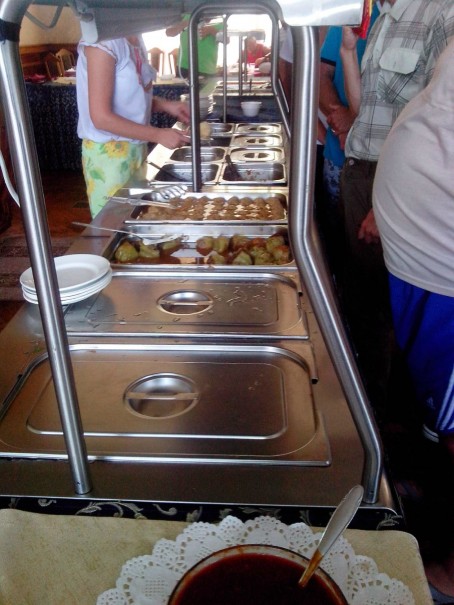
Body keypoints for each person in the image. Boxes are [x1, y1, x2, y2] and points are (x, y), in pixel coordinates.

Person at [337, 0, 454, 418]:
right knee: (365, 305)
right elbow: (363, 110)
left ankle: (401, 422)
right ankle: (370, 414)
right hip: (361, 171)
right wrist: (348, 52)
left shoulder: (441, 13)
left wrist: (387, 204)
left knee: (399, 318)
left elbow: (441, 126)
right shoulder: (382, 16)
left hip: (396, 192)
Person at [372, 38, 454, 604]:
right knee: (437, 420)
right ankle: (432, 495)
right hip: (427, 264)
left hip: (443, 273)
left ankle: (449, 573)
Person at [76, 36, 190, 218]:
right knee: (114, 225)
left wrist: (167, 105)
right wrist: (158, 134)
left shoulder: (134, 37)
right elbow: (101, 118)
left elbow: (130, 101)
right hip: (108, 157)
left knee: (134, 218)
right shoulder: (103, 43)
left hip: (136, 150)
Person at [318, 1, 381, 277]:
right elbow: (322, 74)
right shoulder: (356, 12)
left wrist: (353, 121)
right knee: (339, 249)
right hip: (340, 156)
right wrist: (341, 121)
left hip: (386, 165)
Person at [165, 15, 223, 79]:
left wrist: (212, 31)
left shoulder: (219, 18)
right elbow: (168, 32)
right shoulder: (187, 15)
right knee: (182, 85)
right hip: (185, 66)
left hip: (207, 68)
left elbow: (226, 40)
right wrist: (182, 25)